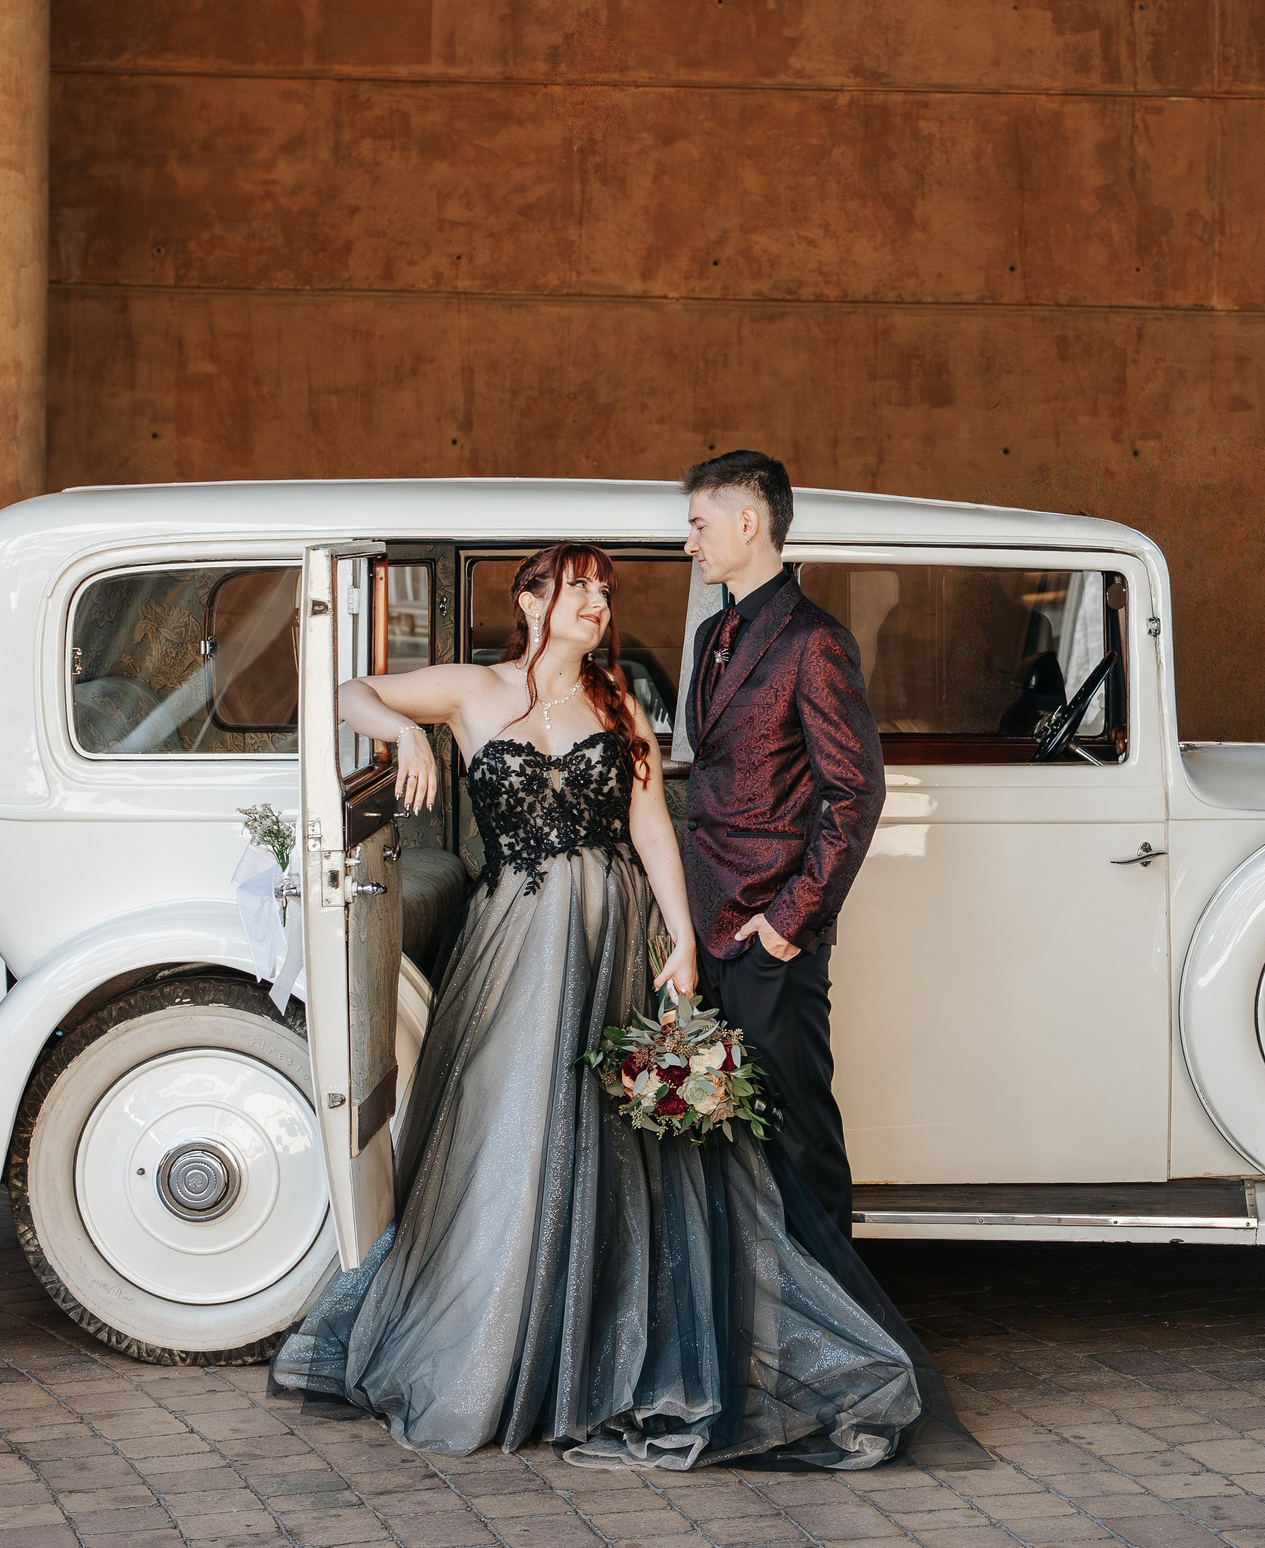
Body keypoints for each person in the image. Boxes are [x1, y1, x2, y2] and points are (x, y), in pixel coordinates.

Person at [270, 542, 924, 1468]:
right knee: (512, 1128)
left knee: (614, 1144)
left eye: (604, 592)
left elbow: (653, 829)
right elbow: (347, 691)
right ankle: (497, 1349)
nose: (596, 603)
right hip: (515, 944)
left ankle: (598, 1352)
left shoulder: (618, 703)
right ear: (530, 600)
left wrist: (683, 941)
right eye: (578, 587)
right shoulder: (473, 688)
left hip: (614, 935)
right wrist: (406, 734)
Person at [678, 451, 885, 1234]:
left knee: (799, 1136)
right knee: (724, 1132)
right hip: (710, 927)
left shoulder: (815, 640)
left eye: (699, 526)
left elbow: (855, 792)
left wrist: (787, 923)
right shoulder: (711, 634)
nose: (690, 543)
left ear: (748, 522)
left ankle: (834, 1304)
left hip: (771, 934)